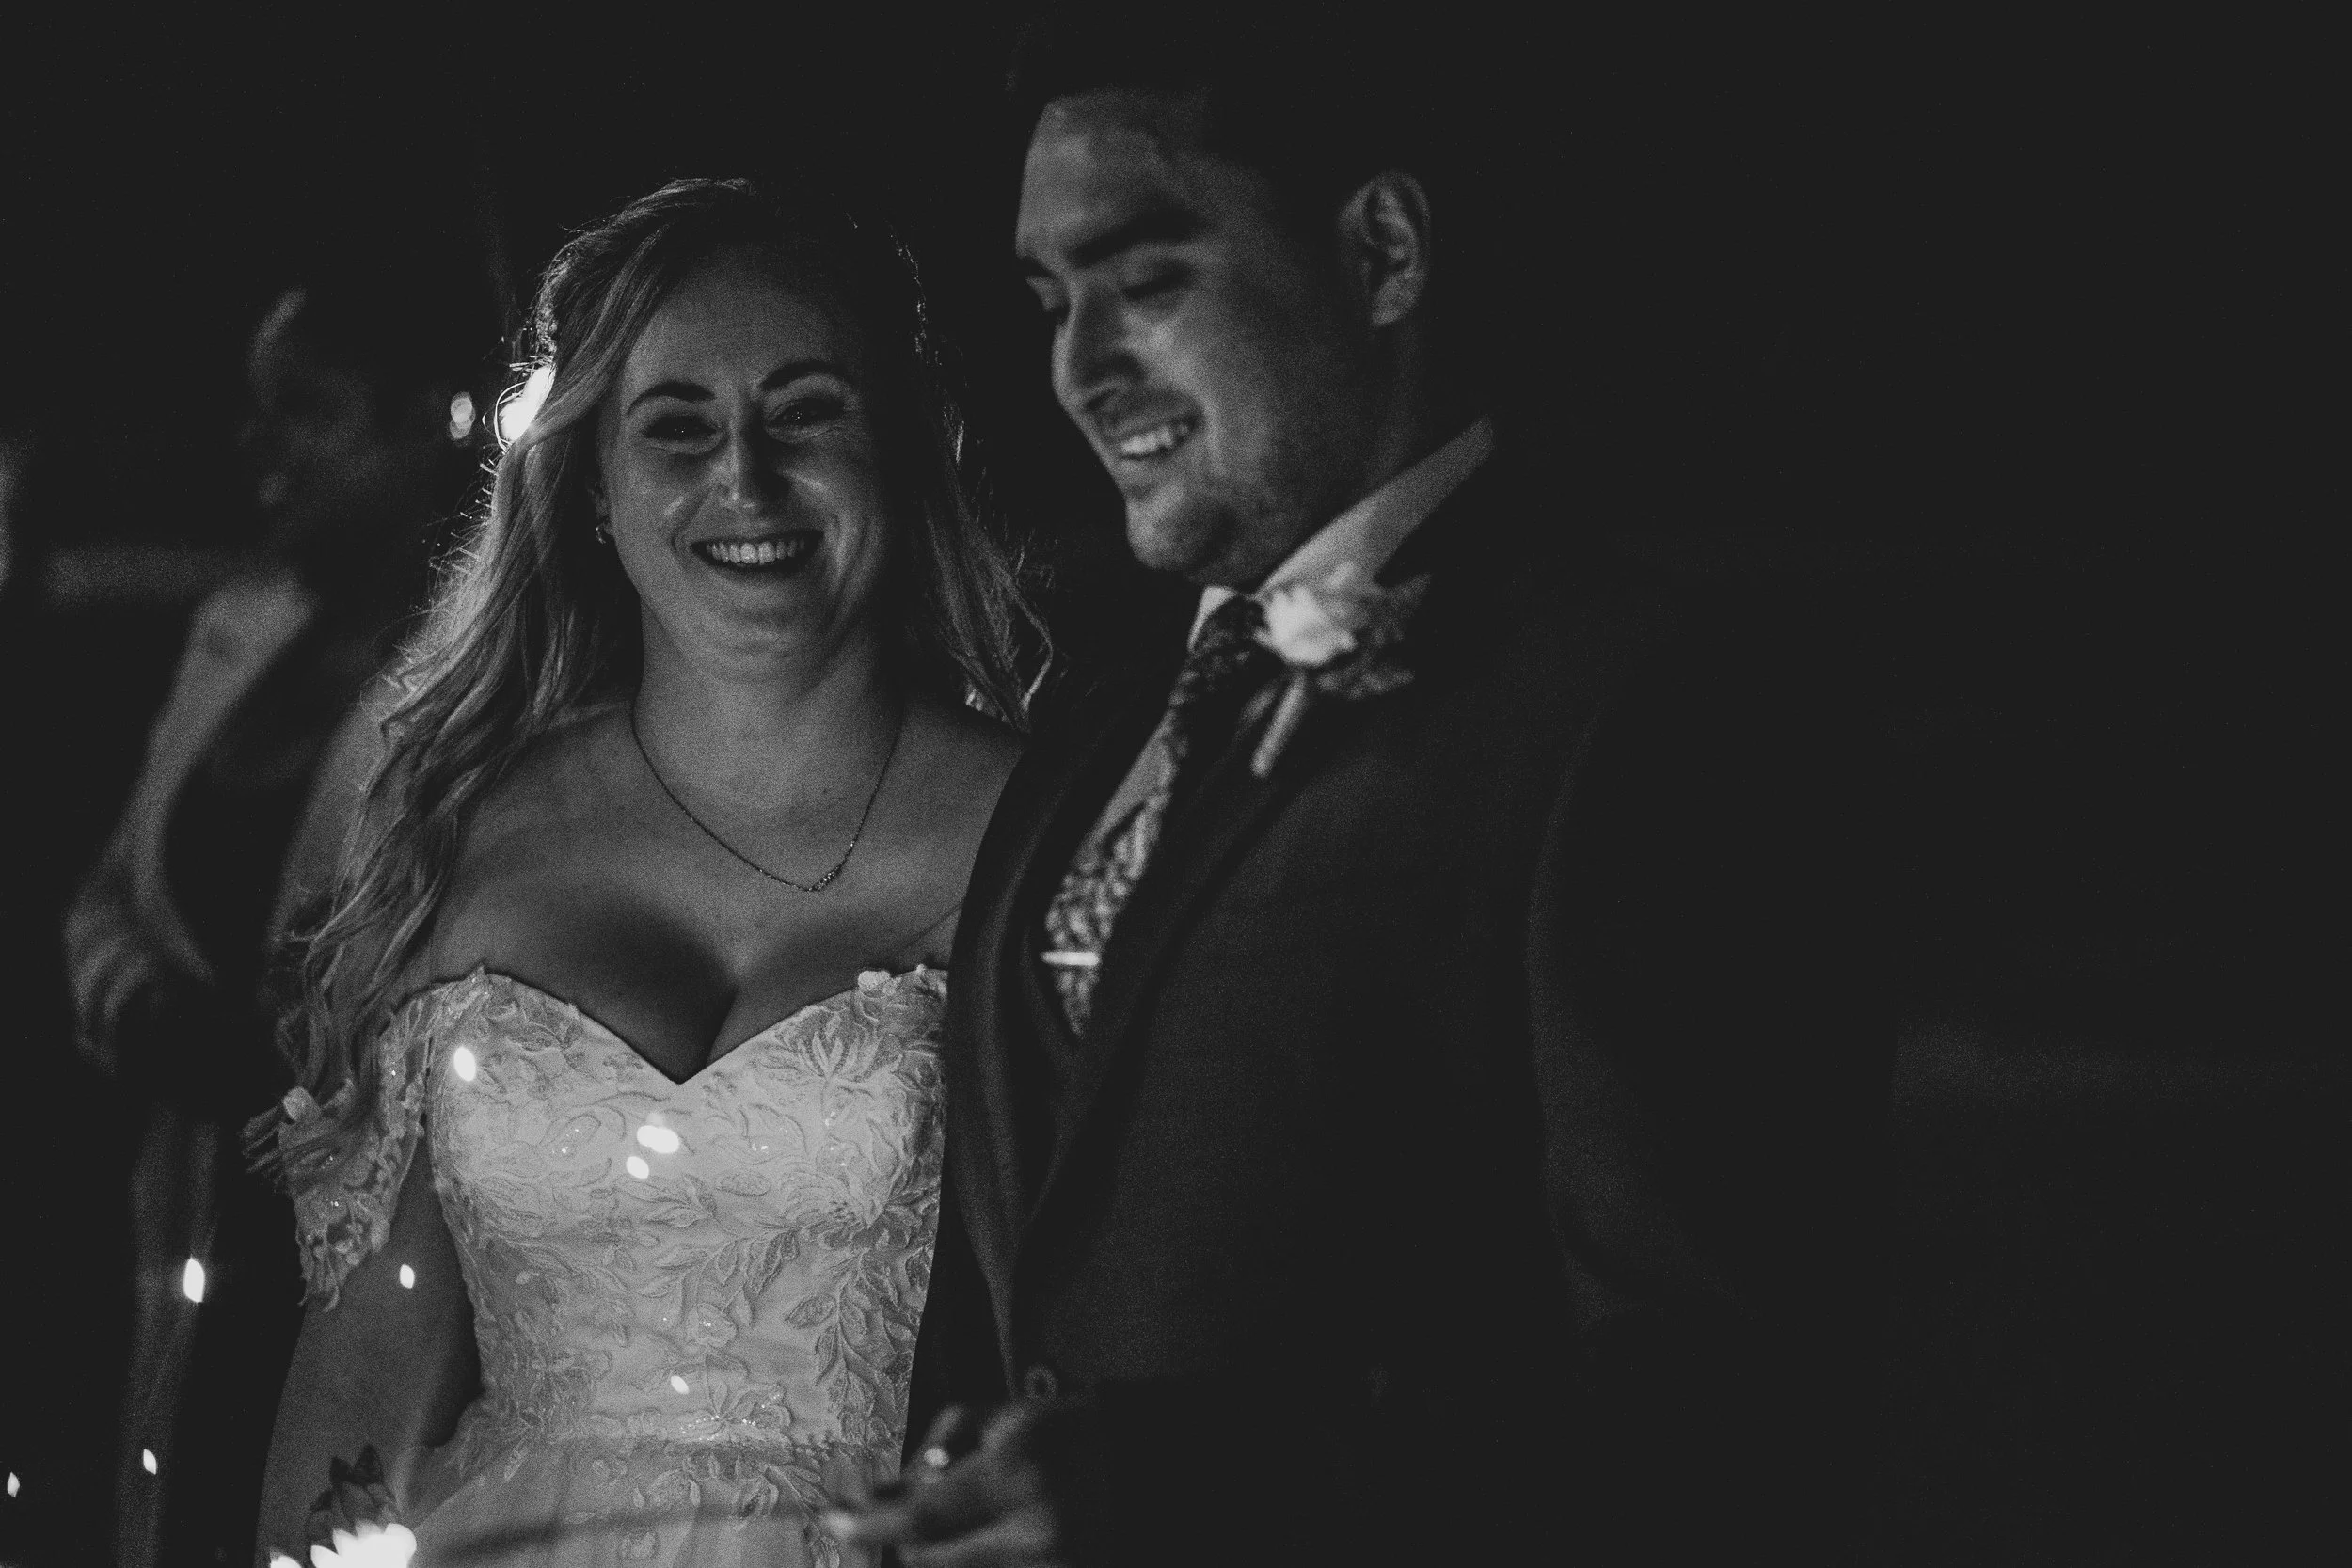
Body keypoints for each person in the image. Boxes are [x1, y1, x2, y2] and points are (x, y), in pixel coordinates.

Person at [826, 12, 1895, 1566]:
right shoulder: (1088, 730)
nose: (1078, 367)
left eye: (1146, 279)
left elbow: (1728, 1412)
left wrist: (1207, 1494)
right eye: (1052, 300)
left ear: (1384, 252)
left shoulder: (1645, 705)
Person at [250, 178, 1037, 1568]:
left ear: (905, 451)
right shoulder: (459, 829)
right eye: (677, 425)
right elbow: (361, 1373)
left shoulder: (1037, 834)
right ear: (596, 489)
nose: (745, 478)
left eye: (806, 412)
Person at [58, 250, 494, 1568]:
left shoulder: (498, 685)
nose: (258, 442)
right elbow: (109, 890)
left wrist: (318, 1066)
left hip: (389, 1263)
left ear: (429, 419)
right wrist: (150, 1019)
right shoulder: (237, 631)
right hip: (193, 1213)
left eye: (303, 407)